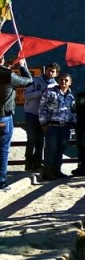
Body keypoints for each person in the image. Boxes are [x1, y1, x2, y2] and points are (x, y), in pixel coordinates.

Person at [0, 56, 33, 192]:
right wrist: (22, 66)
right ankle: (1, 181)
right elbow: (28, 81)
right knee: (3, 149)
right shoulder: (7, 74)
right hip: (3, 117)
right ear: (1, 59)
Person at [38, 72, 76, 181]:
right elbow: (42, 108)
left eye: (66, 80)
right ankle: (48, 171)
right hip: (52, 126)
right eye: (61, 80)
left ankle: (57, 170)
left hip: (65, 127)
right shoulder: (50, 92)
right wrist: (43, 123)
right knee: (51, 149)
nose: (63, 82)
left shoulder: (71, 95)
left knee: (61, 149)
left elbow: (73, 111)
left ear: (70, 82)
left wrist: (73, 123)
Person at [22, 62, 59, 171]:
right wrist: (41, 92)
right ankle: (28, 163)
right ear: (45, 70)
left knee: (41, 140)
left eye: (53, 71)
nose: (50, 72)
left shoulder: (56, 85)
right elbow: (26, 95)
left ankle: (37, 163)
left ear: (56, 74)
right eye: (49, 70)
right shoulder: (34, 80)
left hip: (45, 116)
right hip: (31, 113)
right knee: (32, 139)